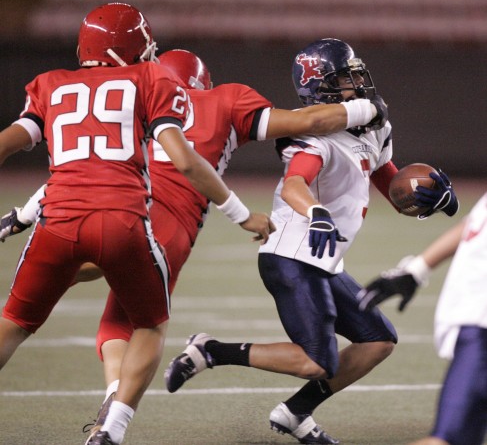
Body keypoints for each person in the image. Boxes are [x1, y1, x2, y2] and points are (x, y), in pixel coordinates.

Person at [0, 47, 390, 444]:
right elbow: (309, 120)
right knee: (138, 321)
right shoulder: (222, 99)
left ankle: (111, 404)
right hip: (155, 226)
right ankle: (112, 418)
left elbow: (85, 164)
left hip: (87, 210)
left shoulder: (128, 97)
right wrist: (368, 110)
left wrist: (22, 215)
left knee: (38, 307)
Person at [0, 3, 274, 445]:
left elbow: (7, 146)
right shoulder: (150, 78)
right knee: (149, 324)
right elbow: (184, 159)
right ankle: (112, 429)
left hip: (58, 222)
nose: (150, 51)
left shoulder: (50, 84)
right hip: (122, 222)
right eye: (144, 43)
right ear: (123, 49)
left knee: (13, 321)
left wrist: (22, 217)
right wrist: (242, 214)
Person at [163, 38, 460, 445]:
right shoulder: (314, 132)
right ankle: (211, 350)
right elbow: (294, 185)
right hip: (292, 255)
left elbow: (390, 185)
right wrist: (316, 213)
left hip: (323, 259)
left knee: (378, 340)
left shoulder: (373, 129)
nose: (356, 82)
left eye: (356, 73)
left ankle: (295, 413)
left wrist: (427, 198)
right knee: (316, 361)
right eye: (344, 77)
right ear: (320, 86)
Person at [357, 194, 487, 445]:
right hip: (482, 324)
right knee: (449, 440)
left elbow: (472, 223)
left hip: (473, 314)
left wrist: (417, 270)